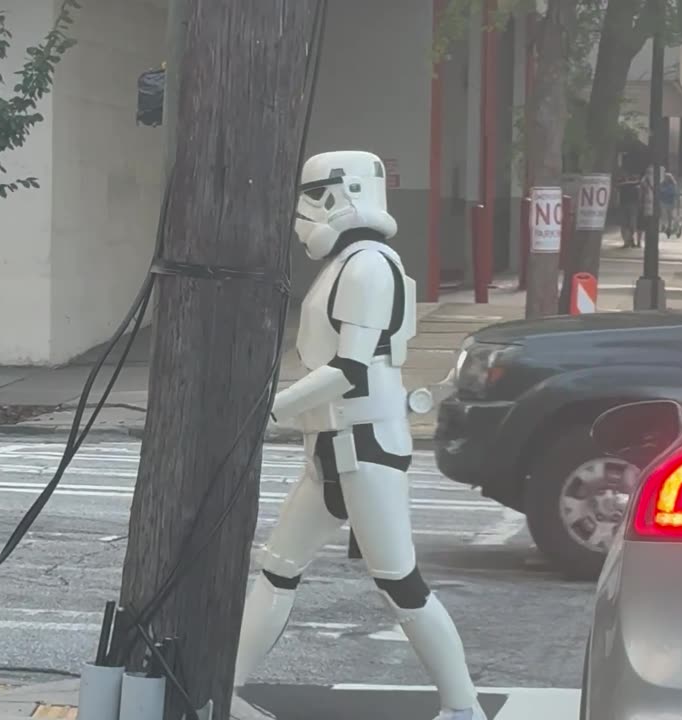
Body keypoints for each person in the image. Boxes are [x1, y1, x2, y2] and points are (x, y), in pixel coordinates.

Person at [233, 150, 486, 720]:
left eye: (309, 197)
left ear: (338, 194)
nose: (301, 215)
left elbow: (350, 369)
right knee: (278, 568)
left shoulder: (370, 267)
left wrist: (268, 412)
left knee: (400, 581)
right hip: (330, 446)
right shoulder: (347, 266)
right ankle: (223, 690)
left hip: (364, 445)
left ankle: (464, 707)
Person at [617, 172, 642, 248]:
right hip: (633, 206)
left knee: (626, 225)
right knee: (631, 224)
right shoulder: (637, 185)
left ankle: (627, 241)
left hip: (625, 205)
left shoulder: (622, 185)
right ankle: (629, 240)